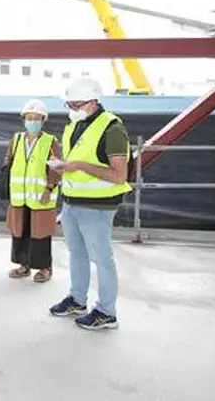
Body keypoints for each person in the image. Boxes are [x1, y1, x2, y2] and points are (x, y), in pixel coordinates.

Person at [49, 78, 131, 331]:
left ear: (93, 102)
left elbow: (119, 175)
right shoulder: (74, 126)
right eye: (69, 105)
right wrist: (63, 167)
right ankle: (77, 299)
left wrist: (80, 166)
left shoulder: (112, 129)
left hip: (98, 206)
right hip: (72, 202)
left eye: (77, 104)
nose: (72, 109)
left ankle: (107, 312)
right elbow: (76, 161)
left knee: (102, 259)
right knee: (77, 253)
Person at [5, 99, 60, 283]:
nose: (33, 121)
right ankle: (24, 265)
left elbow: (55, 169)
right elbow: (8, 162)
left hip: (41, 196)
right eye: (29, 118)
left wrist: (49, 189)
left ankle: (45, 268)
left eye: (37, 118)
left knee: (40, 234)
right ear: (24, 119)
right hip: (20, 196)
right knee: (20, 232)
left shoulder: (50, 141)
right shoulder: (16, 139)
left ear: (44, 120)